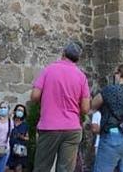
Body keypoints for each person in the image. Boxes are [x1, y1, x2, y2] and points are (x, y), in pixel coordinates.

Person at [30, 41, 91, 172]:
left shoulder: (49, 70)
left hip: (50, 126)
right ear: (78, 58)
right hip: (72, 128)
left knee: (42, 167)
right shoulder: (81, 76)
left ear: (63, 52)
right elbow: (86, 108)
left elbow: (35, 96)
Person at [91, 63, 123, 172]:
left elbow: (93, 105)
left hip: (114, 135)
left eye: (115, 73)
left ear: (119, 74)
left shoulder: (110, 90)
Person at [6, 104, 30, 172]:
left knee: (18, 169)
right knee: (6, 168)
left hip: (19, 151)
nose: (20, 112)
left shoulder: (25, 125)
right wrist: (10, 114)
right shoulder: (10, 122)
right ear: (15, 111)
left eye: (22, 111)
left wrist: (21, 136)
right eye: (18, 110)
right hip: (9, 150)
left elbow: (27, 138)